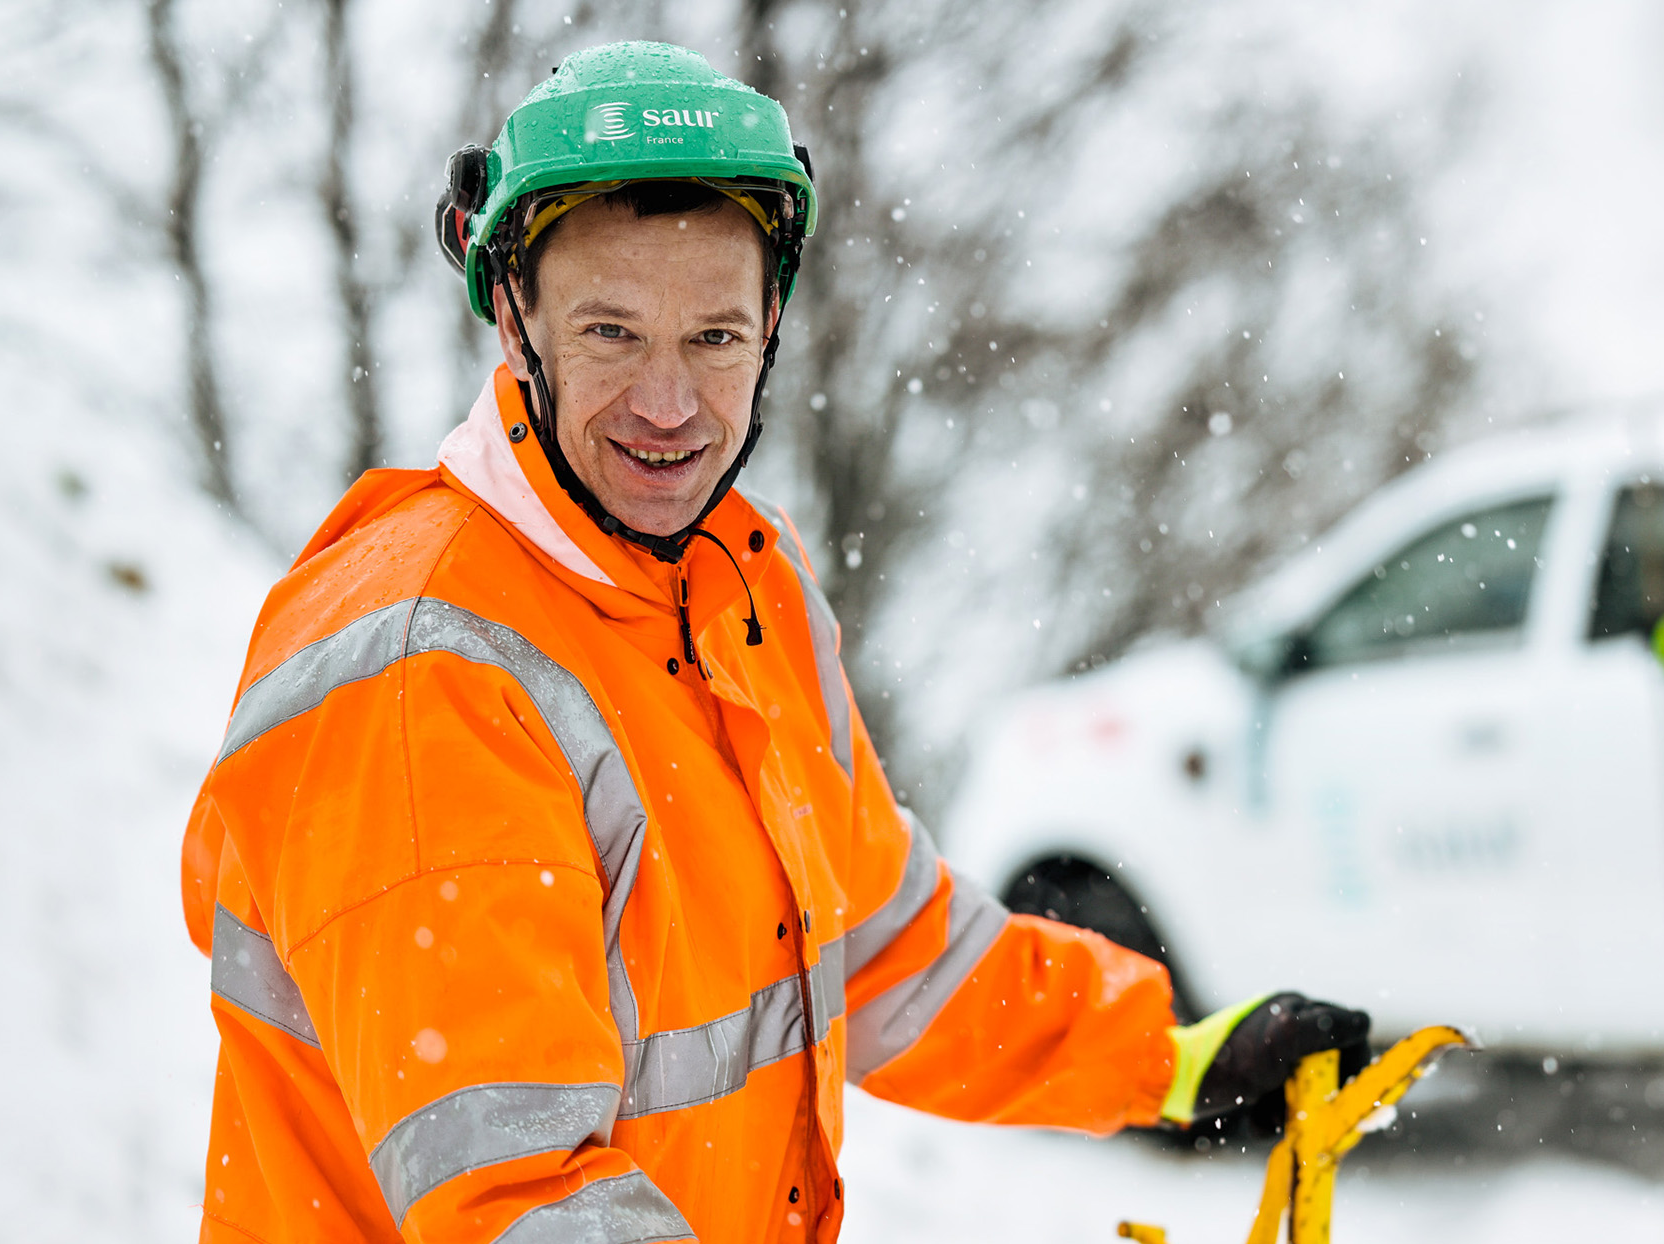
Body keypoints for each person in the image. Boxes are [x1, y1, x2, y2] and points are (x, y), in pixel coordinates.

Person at [179, 41, 1365, 1244]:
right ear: (511, 312)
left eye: (714, 336)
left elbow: (885, 944)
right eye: (609, 331)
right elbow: (517, 1193)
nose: (669, 403)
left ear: (772, 327)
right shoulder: (425, 659)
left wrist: (1169, 1055)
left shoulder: (745, 590)